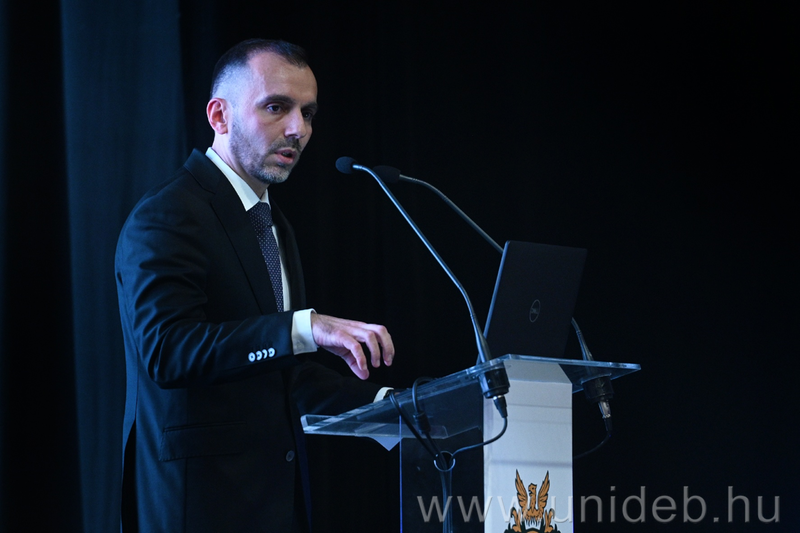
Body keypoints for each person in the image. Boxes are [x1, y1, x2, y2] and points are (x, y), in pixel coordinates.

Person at [115, 38, 395, 532]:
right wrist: (304, 327)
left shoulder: (272, 223)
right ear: (219, 116)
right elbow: (166, 351)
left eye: (308, 113)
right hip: (196, 510)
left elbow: (280, 376)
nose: (298, 129)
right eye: (276, 107)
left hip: (275, 508)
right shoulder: (169, 214)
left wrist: (395, 407)